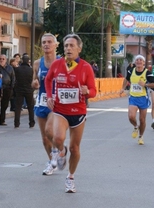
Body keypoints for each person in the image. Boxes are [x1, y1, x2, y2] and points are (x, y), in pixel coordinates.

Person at [45, 33, 97, 193]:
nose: (68, 48)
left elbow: (94, 91)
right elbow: (48, 80)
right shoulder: (57, 64)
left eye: (72, 46)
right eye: (66, 45)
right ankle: (61, 151)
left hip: (79, 112)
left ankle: (70, 177)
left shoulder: (86, 67)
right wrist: (49, 96)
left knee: (75, 148)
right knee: (58, 137)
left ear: (79, 49)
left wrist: (87, 91)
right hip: (61, 110)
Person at [32, 33, 60, 176]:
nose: (46, 44)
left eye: (49, 42)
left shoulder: (63, 62)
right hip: (41, 101)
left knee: (50, 131)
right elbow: (33, 81)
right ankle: (52, 162)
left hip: (57, 103)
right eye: (44, 42)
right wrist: (35, 83)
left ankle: (56, 154)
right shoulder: (37, 63)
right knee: (44, 138)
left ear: (56, 45)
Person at [120, 55, 154, 145]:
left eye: (141, 60)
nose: (139, 61)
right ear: (135, 62)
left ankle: (141, 136)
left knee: (142, 119)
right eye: (137, 60)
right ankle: (136, 127)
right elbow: (126, 79)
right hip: (133, 97)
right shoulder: (131, 71)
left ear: (144, 63)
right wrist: (122, 88)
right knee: (131, 116)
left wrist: (145, 84)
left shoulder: (147, 73)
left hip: (143, 98)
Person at [0, 54, 15, 126]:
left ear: (6, 60)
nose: (1, 60)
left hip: (7, 88)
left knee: (4, 105)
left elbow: (13, 78)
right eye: (0, 59)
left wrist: (12, 87)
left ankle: (2, 120)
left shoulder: (10, 68)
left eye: (3, 59)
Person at [13, 55, 35, 128]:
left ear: (22, 60)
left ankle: (16, 123)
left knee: (18, 107)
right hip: (29, 89)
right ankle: (31, 123)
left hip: (19, 89)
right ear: (28, 61)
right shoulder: (31, 70)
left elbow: (15, 79)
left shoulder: (17, 69)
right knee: (30, 107)